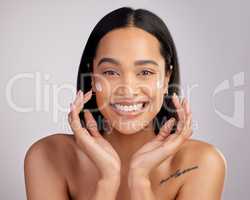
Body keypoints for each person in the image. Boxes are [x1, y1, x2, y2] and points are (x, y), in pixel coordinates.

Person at [24, 7, 226, 200]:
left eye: (145, 72)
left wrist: (139, 181)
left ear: (166, 78)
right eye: (110, 72)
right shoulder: (48, 157)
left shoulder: (202, 163)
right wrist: (108, 181)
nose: (128, 89)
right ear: (92, 77)